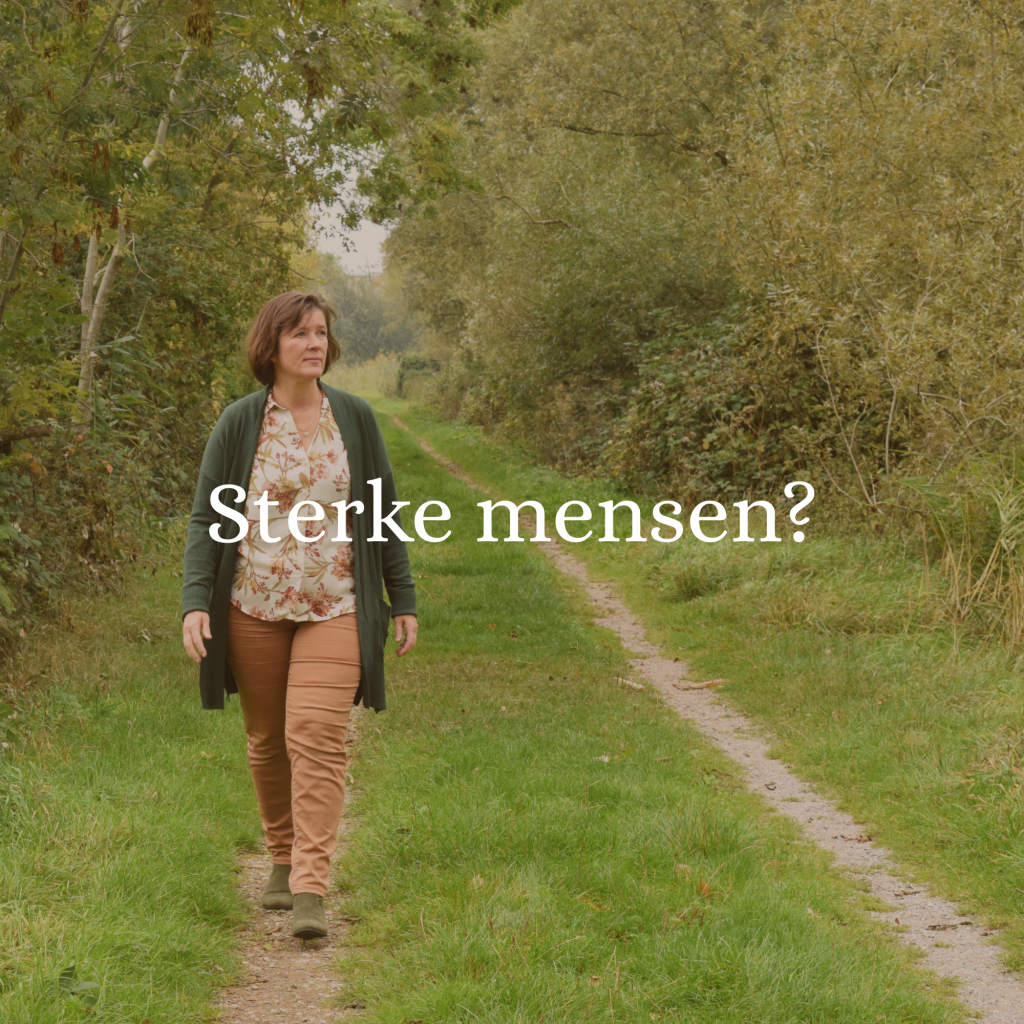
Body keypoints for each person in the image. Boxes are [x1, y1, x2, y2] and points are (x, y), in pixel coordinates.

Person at [179, 291, 417, 939]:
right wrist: (195, 602)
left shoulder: (355, 418)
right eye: (300, 333)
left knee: (315, 733)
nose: (315, 343)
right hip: (252, 604)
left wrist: (402, 597)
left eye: (321, 333)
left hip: (336, 602)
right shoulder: (240, 423)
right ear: (272, 345)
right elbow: (206, 518)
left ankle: (310, 885)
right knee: (266, 740)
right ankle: (281, 857)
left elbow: (384, 511)